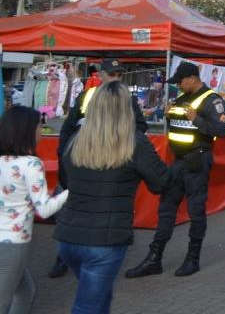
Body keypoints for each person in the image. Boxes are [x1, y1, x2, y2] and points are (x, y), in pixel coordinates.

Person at [57, 82, 171, 313]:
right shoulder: (134, 142)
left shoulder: (75, 141)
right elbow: (160, 183)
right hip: (105, 241)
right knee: (88, 305)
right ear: (126, 108)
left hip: (69, 236)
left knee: (99, 298)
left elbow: (66, 181)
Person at [125, 62, 225, 279]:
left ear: (191, 78)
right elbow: (180, 126)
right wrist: (168, 115)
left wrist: (197, 119)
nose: (179, 86)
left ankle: (193, 259)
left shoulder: (211, 99)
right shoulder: (181, 99)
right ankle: (154, 258)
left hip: (198, 162)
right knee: (166, 208)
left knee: (196, 210)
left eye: (181, 82)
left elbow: (223, 130)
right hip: (178, 162)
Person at [51, 58, 148, 280]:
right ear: (101, 75)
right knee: (70, 209)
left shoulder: (127, 98)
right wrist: (65, 157)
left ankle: (96, 251)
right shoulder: (87, 96)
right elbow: (67, 129)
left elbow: (140, 127)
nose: (115, 79)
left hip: (110, 161)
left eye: (119, 75)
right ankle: (62, 258)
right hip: (83, 158)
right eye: (111, 74)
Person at [0, 107, 68, 314]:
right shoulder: (31, 164)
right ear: (27, 130)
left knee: (25, 291)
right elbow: (45, 210)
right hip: (13, 243)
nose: (42, 129)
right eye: (40, 124)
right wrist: (70, 193)